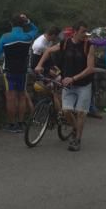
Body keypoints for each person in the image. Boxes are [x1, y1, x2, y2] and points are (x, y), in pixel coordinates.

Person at [36, 21, 96, 152]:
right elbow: (48, 51)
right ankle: (76, 128)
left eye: (86, 32)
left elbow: (90, 68)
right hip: (67, 85)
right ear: (74, 32)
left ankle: (77, 139)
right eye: (82, 32)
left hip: (84, 84)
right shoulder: (65, 44)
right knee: (66, 111)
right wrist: (40, 64)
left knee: (81, 112)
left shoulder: (88, 46)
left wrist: (73, 78)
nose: (84, 34)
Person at [0, 13, 38, 132]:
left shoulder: (5, 37)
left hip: (9, 71)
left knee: (10, 97)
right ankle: (21, 123)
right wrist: (28, 20)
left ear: (11, 24)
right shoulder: (28, 36)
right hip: (22, 70)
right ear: (23, 24)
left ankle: (11, 124)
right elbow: (35, 29)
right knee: (22, 96)